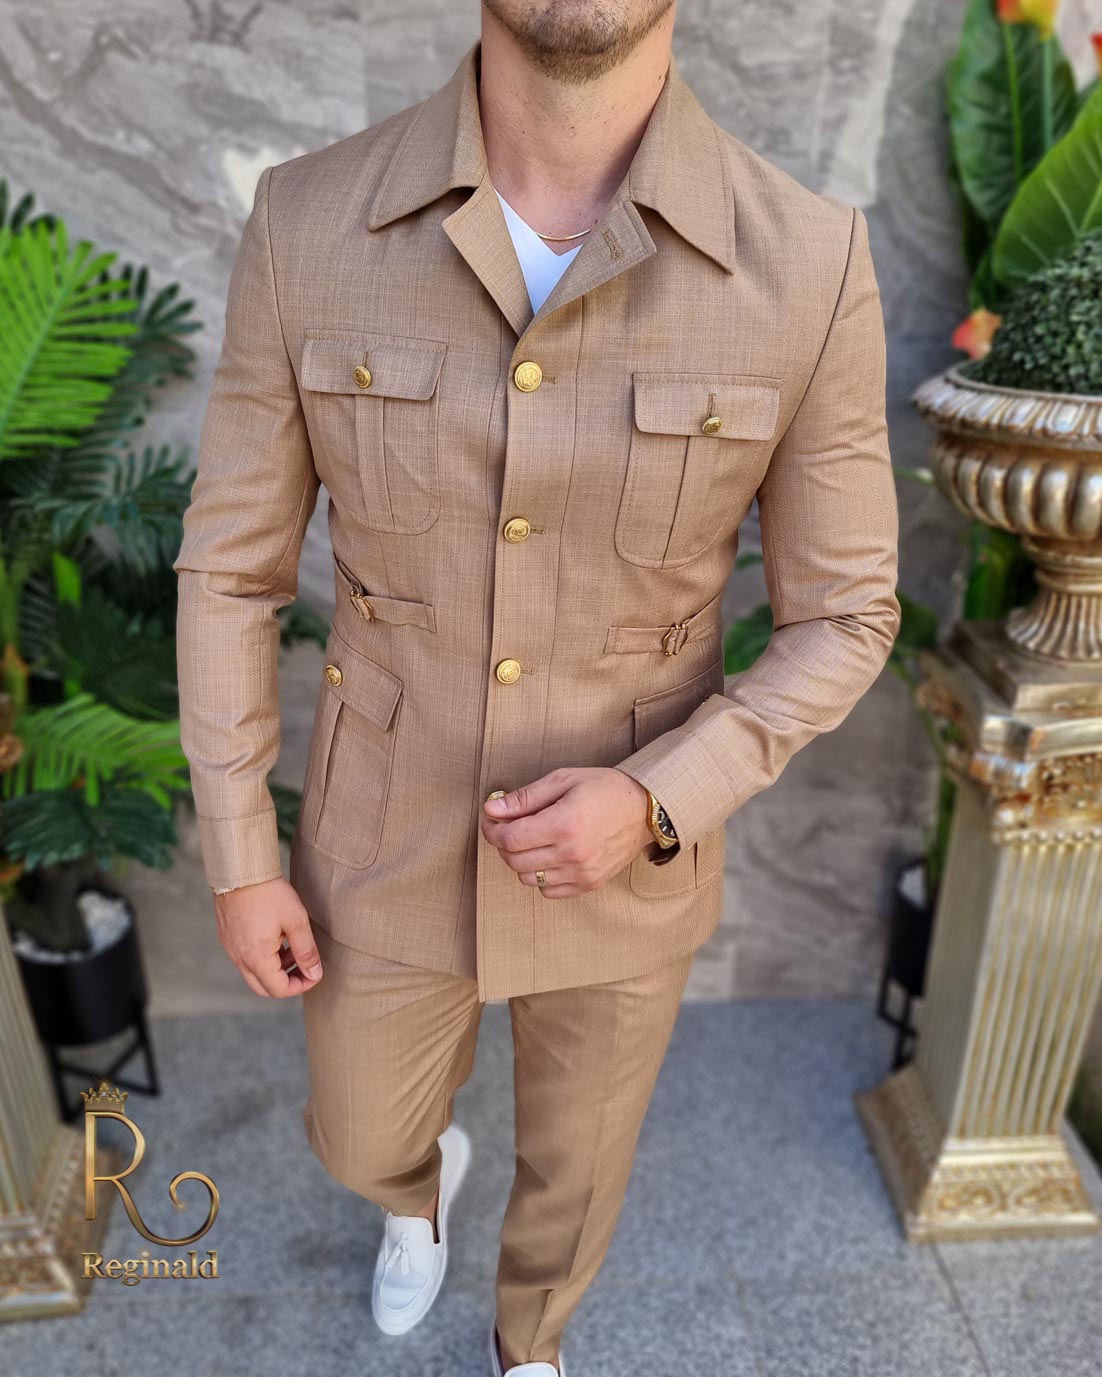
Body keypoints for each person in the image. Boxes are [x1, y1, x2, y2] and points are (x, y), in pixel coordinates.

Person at [172, 2, 902, 1372]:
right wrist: (239, 851)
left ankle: (533, 1344)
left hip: (630, 853)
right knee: (360, 1134)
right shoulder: (308, 222)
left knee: (579, 1166)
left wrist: (660, 796)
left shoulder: (806, 260)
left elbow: (847, 614)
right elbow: (227, 570)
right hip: (381, 823)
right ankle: (415, 1190)